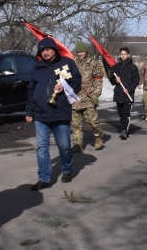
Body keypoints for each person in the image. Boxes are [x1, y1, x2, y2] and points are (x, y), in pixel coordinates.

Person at [26, 38, 82, 190]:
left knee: (64, 146)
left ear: (54, 50)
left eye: (48, 49)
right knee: (42, 147)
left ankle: (67, 170)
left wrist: (65, 87)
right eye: (42, 50)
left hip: (60, 112)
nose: (45, 52)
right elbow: (31, 91)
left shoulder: (67, 64)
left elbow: (77, 82)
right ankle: (44, 178)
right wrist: (29, 110)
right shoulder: (36, 68)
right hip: (41, 114)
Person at [70, 42, 105, 152]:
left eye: (82, 51)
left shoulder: (93, 64)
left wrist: (96, 94)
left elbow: (98, 80)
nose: (80, 54)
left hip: (89, 98)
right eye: (78, 52)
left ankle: (98, 136)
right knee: (76, 124)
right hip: (75, 98)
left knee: (92, 122)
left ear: (86, 52)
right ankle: (77, 144)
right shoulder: (72, 63)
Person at [109, 47, 141, 140]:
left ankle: (124, 131)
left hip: (127, 94)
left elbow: (136, 80)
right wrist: (116, 80)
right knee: (121, 114)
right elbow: (112, 79)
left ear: (128, 55)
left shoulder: (133, 67)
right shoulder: (116, 66)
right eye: (121, 54)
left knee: (126, 114)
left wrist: (129, 89)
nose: (123, 56)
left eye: (125, 54)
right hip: (119, 93)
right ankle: (123, 127)